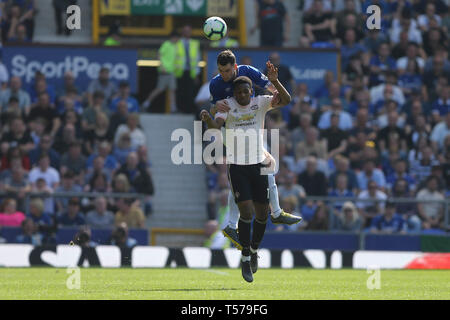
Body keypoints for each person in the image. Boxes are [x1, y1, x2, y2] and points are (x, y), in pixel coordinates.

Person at [200, 62, 294, 282]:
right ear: (234, 93)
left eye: (246, 91)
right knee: (247, 213)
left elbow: (287, 100)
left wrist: (274, 81)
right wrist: (207, 119)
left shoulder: (260, 103)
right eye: (239, 92)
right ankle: (244, 257)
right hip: (237, 167)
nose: (242, 95)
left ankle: (253, 251)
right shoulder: (227, 105)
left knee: (262, 215)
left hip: (259, 164)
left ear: (252, 92)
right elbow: (216, 127)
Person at [143, 31, 179, 113]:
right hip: (164, 71)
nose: (177, 40)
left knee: (172, 90)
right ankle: (146, 103)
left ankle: (173, 109)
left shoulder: (175, 46)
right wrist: (161, 66)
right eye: (177, 38)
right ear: (174, 37)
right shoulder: (166, 44)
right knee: (159, 89)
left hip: (171, 71)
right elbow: (159, 54)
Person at [174, 25, 201, 114]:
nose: (187, 32)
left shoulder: (195, 43)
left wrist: (197, 74)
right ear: (182, 32)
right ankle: (180, 109)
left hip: (191, 72)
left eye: (188, 31)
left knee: (190, 92)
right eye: (185, 31)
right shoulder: (177, 42)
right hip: (179, 72)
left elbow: (197, 59)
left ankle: (189, 110)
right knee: (180, 92)